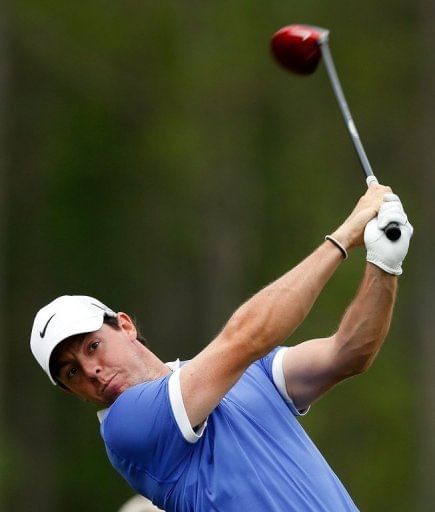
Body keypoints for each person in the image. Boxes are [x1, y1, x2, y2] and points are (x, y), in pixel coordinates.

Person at [30, 181, 413, 512]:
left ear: (126, 326)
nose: (91, 371)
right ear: (73, 393)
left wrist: (382, 263)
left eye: (93, 345)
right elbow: (246, 339)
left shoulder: (242, 374)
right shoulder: (126, 427)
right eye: (72, 372)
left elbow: (348, 353)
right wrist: (346, 235)